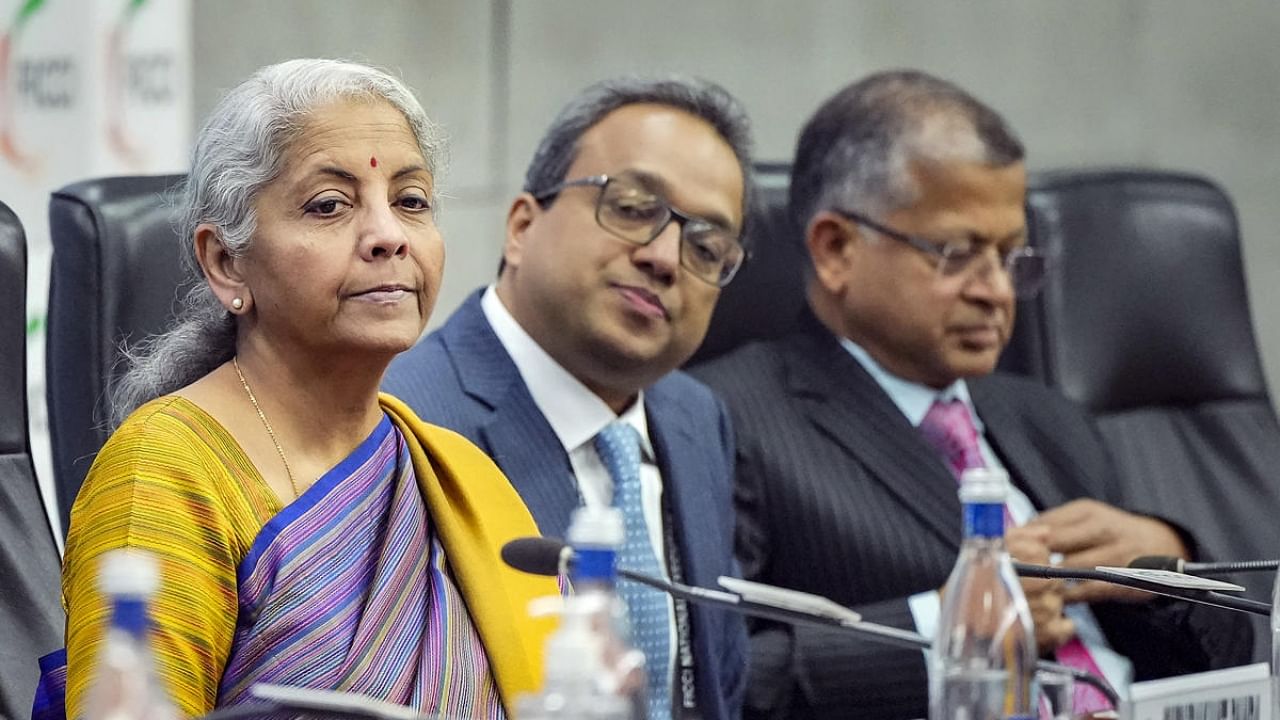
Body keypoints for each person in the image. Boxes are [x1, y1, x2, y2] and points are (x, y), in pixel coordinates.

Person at [691, 69, 1252, 719]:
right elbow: (720, 677)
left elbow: (1235, 668)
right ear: (837, 248)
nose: (997, 292)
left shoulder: (1050, 422)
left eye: (1012, 257)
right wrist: (952, 627)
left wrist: (1168, 571)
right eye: (958, 253)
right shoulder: (727, 419)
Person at [37, 59, 558, 720]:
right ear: (226, 261)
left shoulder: (462, 479)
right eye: (329, 206)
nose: (389, 237)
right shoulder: (164, 473)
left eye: (411, 201)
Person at [383, 76, 753, 720]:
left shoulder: (697, 418)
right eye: (635, 208)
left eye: (706, 247)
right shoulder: (403, 419)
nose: (666, 259)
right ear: (523, 226)